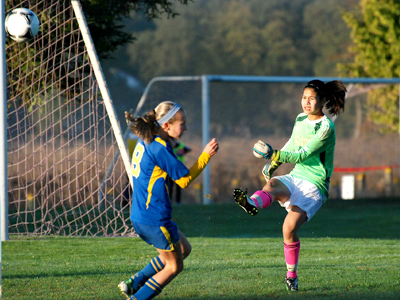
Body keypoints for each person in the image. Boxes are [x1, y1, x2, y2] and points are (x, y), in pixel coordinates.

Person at [233, 80, 347, 292]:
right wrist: (272, 164)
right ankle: (251, 203)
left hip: (315, 186)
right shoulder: (300, 118)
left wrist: (273, 153)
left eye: (312, 98)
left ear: (322, 101)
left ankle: (291, 276)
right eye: (304, 97)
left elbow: (302, 154)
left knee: (288, 228)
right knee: (273, 183)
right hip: (297, 175)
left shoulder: (326, 127)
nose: (306, 102)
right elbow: (292, 145)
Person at [118, 101, 219, 300]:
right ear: (166, 125)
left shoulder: (146, 139)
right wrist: (205, 156)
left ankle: (135, 282)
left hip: (141, 215)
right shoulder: (159, 147)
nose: (186, 127)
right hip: (155, 218)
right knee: (174, 266)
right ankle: (137, 298)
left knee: (183, 249)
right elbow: (184, 181)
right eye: (182, 123)